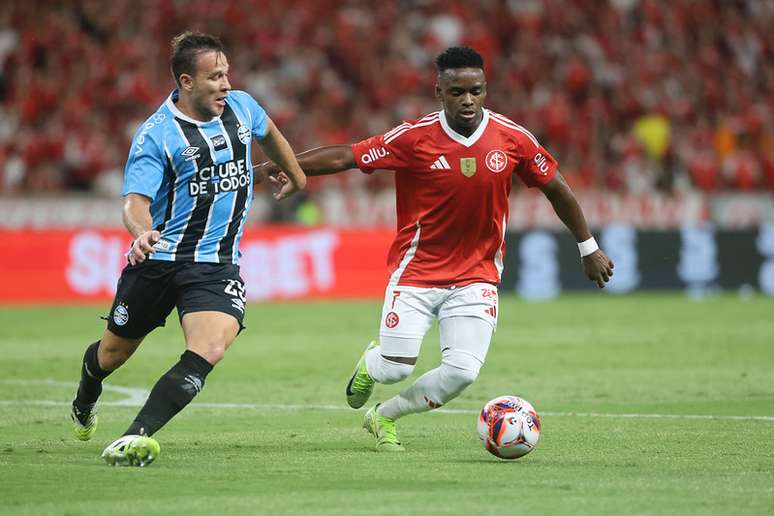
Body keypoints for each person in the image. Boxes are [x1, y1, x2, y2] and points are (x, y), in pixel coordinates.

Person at [257, 47, 613, 452]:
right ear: (439, 91)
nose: (468, 100)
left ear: (485, 89)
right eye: (457, 92)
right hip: (417, 272)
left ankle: (384, 417)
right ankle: (372, 363)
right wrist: (283, 164)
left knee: (462, 372)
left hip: (477, 274)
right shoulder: (414, 138)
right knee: (395, 369)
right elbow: (348, 156)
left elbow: (557, 188)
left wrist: (588, 247)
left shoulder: (512, 138)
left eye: (476, 91)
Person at [70, 31, 306, 466]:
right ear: (187, 82)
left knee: (210, 348)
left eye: (227, 74)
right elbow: (135, 203)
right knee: (111, 355)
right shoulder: (157, 135)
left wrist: (297, 173)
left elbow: (270, 132)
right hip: (159, 260)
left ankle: (135, 436)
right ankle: (86, 393)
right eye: (215, 77)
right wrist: (141, 233)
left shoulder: (242, 107)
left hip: (215, 264)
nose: (226, 84)